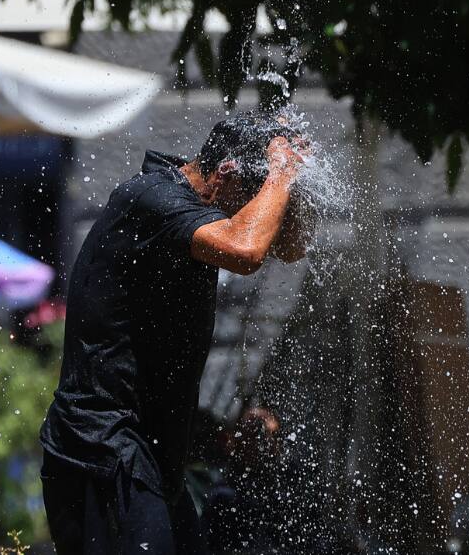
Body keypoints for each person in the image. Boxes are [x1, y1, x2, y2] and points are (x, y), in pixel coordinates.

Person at [39, 113, 312, 554]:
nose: (252, 213)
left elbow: (291, 244)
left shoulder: (192, 205)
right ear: (225, 173)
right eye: (251, 196)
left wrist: (291, 178)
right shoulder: (152, 199)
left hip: (149, 455)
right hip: (101, 450)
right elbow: (247, 249)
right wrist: (279, 171)